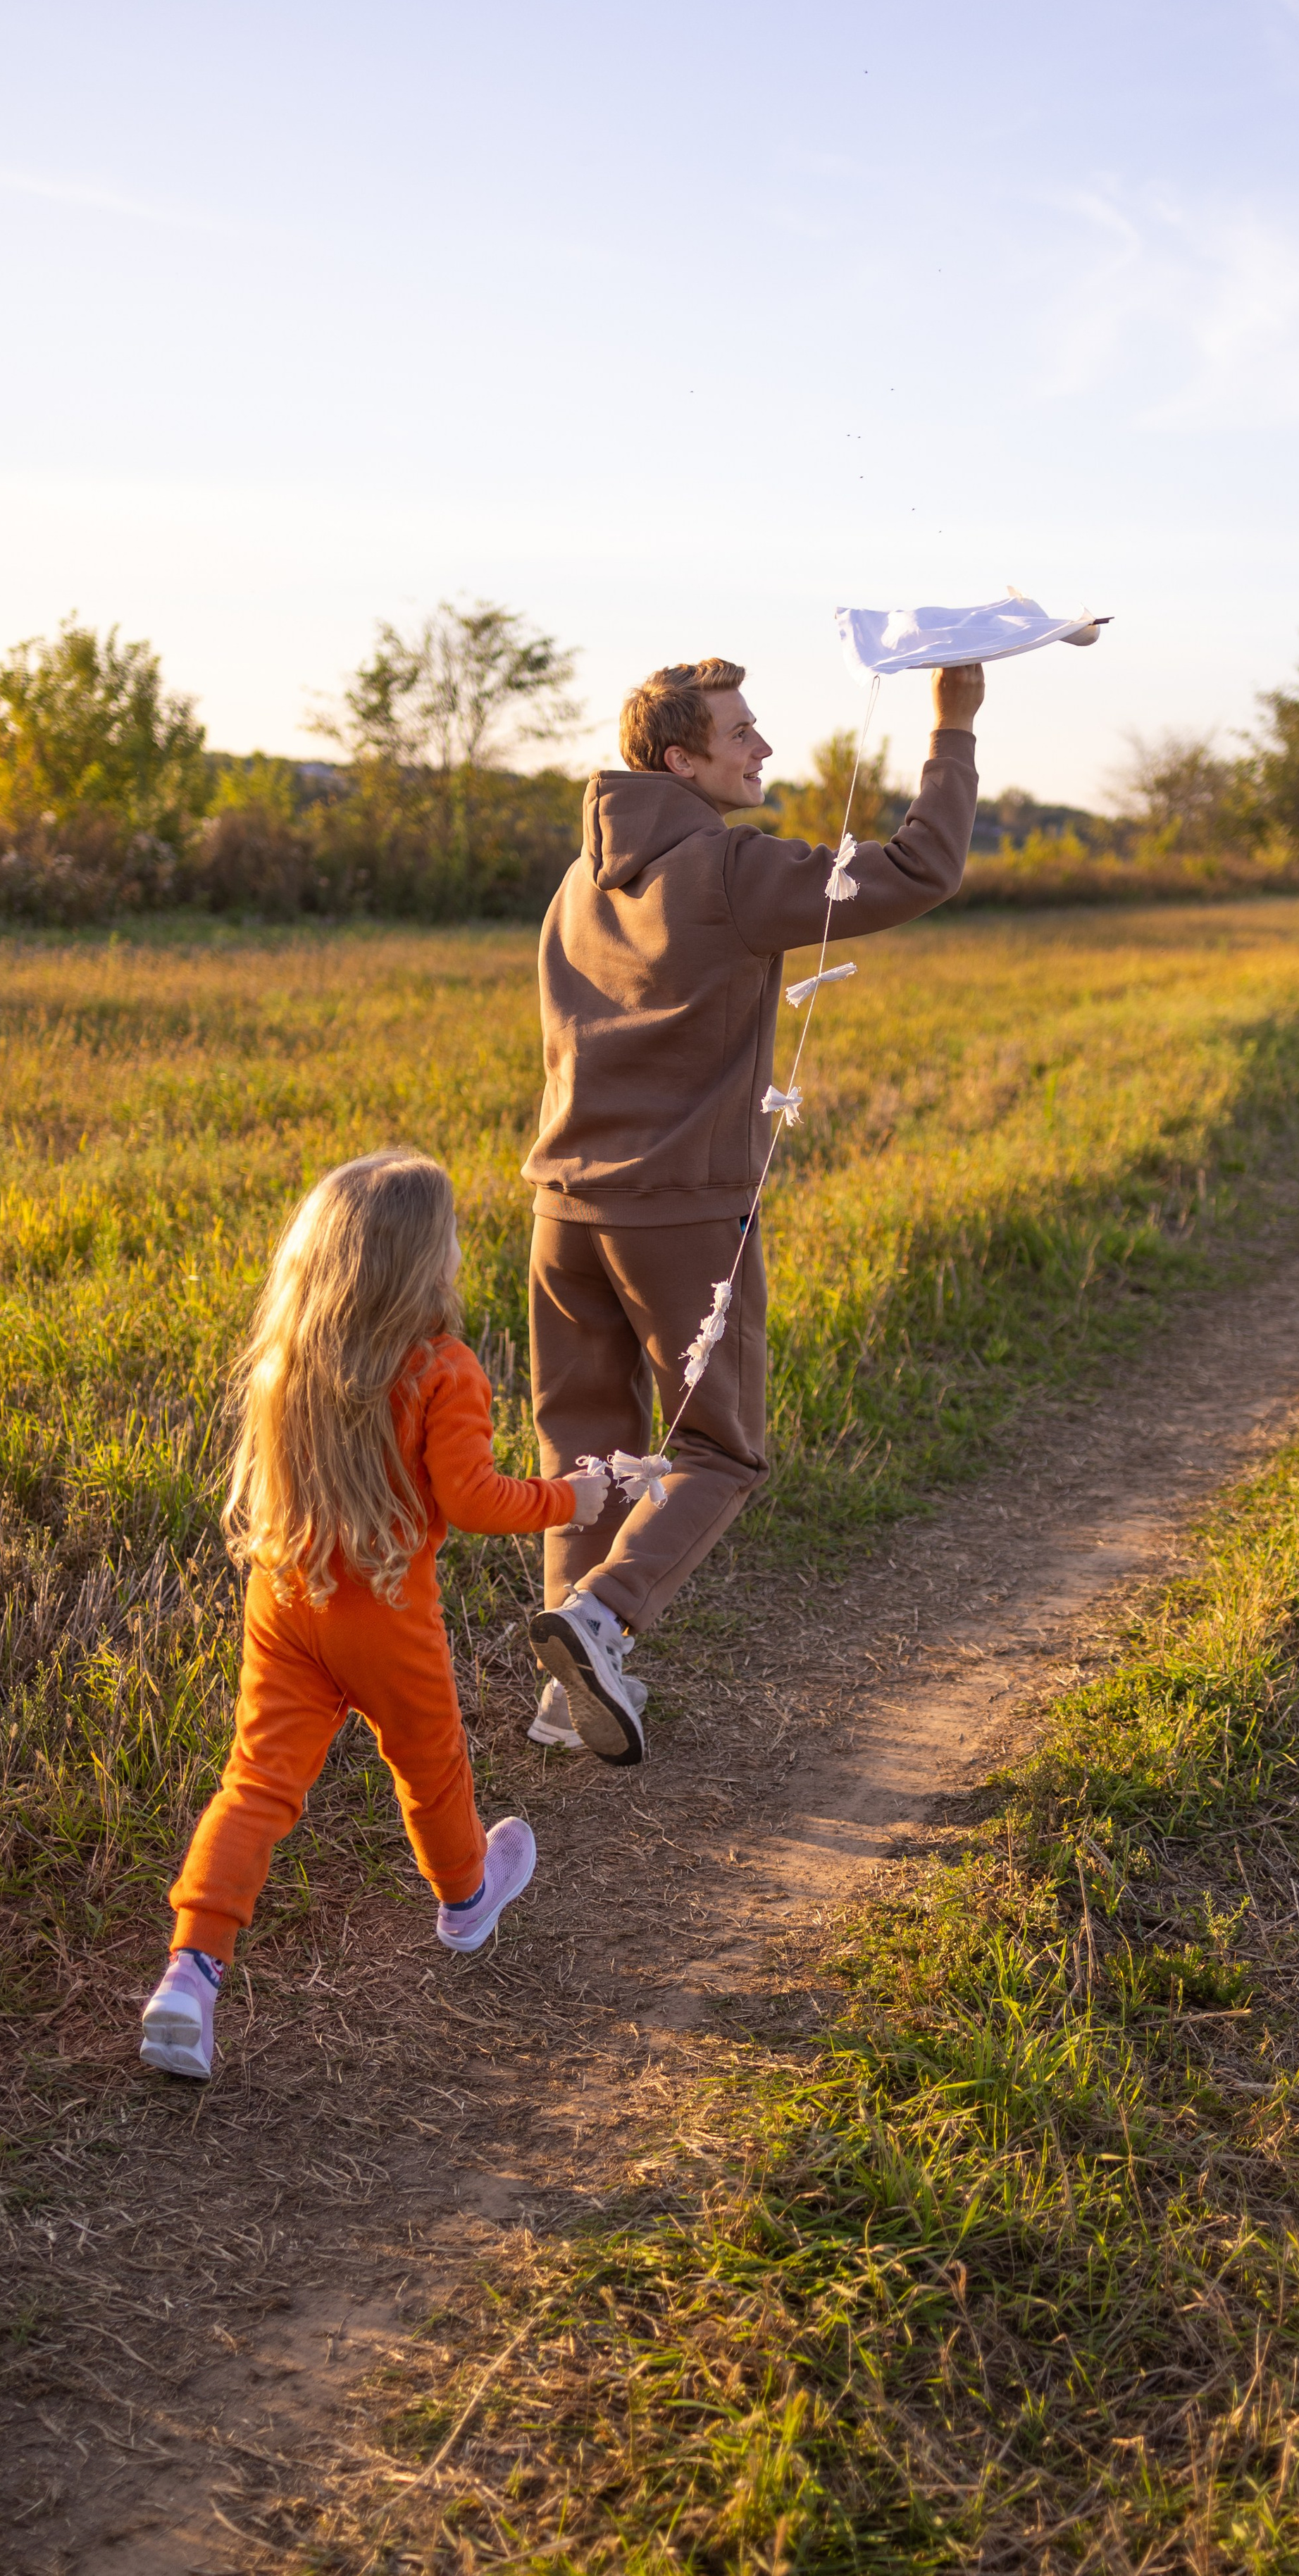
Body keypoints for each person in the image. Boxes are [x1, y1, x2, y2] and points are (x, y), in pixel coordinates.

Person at [523, 656, 985, 1766]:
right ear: (681, 760)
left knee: (583, 1449)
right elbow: (924, 867)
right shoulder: (732, 867)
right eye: (741, 734)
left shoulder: (578, 880)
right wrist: (952, 725)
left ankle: (560, 1692)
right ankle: (599, 1619)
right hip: (680, 1215)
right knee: (718, 1450)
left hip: (559, 1209)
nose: (763, 749)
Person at [139, 1148, 607, 2083]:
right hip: (387, 1615)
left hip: (287, 1601)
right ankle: (467, 1898)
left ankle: (189, 1974)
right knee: (431, 1767)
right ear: (425, 1267)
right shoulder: (443, 1369)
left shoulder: (292, 1357)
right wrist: (569, 1498)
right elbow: (471, 1499)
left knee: (257, 1787)